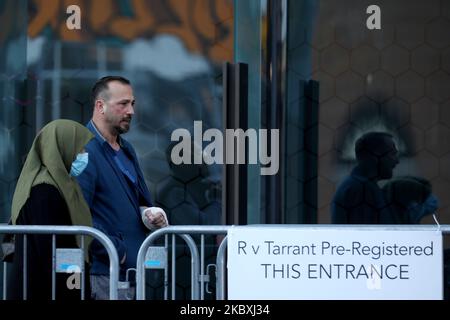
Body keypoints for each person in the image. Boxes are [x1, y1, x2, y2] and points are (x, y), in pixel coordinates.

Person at [76, 76, 168, 300]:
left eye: (133, 104)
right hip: (105, 272)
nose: (131, 111)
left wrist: (150, 215)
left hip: (132, 271)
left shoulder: (126, 149)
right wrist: (117, 251)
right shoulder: (83, 151)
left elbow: (137, 201)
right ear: (100, 106)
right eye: (123, 104)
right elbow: (79, 213)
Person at [7, 119, 94, 300]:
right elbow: (56, 252)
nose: (84, 154)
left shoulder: (61, 185)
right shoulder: (44, 191)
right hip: (45, 289)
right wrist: (74, 289)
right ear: (62, 148)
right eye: (80, 149)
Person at [331, 131, 399, 224]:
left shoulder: (359, 186)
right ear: (375, 155)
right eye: (392, 154)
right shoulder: (361, 189)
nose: (397, 161)